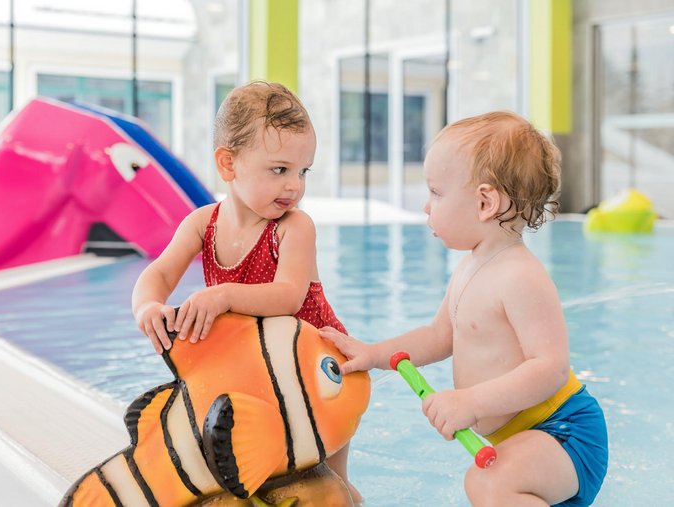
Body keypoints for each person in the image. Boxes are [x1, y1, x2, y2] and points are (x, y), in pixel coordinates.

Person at [320, 111, 608, 506]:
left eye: (436, 193)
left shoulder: (521, 276)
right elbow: (438, 336)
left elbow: (551, 367)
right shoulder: (471, 266)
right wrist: (373, 353)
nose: (426, 206)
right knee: (488, 484)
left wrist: (472, 402)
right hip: (528, 436)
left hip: (565, 431)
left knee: (489, 484)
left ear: (486, 202)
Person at [132, 80, 361, 503]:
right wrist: (147, 305)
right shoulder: (203, 224)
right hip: (255, 368)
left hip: (315, 369)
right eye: (279, 170)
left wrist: (223, 296)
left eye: (302, 171)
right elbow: (160, 272)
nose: (294, 186)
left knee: (327, 480)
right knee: (251, 473)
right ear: (227, 164)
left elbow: (288, 296)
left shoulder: (293, 227)